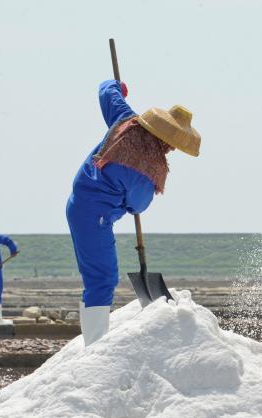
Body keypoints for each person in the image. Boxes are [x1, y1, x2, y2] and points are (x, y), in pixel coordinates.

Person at [67, 80, 201, 344]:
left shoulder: (126, 120)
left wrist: (117, 86)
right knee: (102, 279)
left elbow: (107, 93)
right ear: (167, 140)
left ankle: (94, 339)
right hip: (95, 217)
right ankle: (94, 345)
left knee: (99, 276)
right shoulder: (147, 168)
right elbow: (137, 206)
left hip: (81, 203)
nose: (173, 149)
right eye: (173, 143)